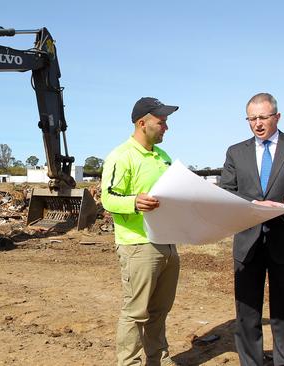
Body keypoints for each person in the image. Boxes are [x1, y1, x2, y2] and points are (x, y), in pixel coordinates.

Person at [220, 92, 284, 366]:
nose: (258, 124)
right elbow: (226, 193)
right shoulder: (235, 152)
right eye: (251, 118)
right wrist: (253, 203)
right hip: (247, 242)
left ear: (277, 116)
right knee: (247, 313)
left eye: (263, 117)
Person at [101, 97, 181, 366]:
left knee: (160, 311)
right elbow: (108, 199)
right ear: (142, 123)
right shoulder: (121, 156)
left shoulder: (164, 158)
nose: (166, 127)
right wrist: (134, 202)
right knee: (136, 313)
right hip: (138, 246)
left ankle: (159, 359)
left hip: (167, 244)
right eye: (162, 122)